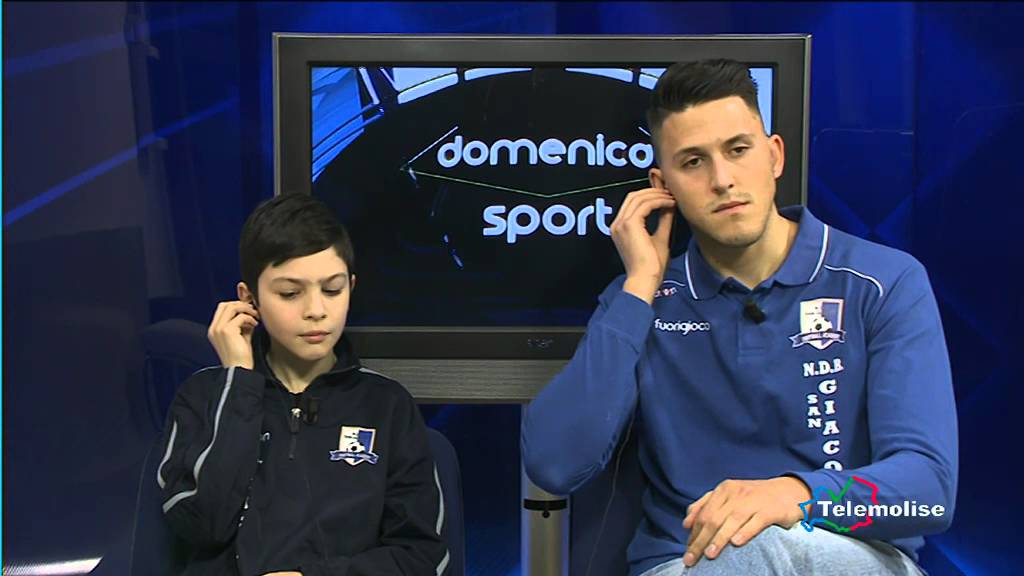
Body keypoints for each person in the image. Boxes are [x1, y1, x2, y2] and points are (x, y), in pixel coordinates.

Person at [522, 59, 957, 576]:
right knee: (751, 553)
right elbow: (554, 464)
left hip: (848, 554)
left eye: (737, 150)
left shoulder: (883, 281)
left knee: (776, 545)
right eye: (693, 162)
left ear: (774, 156)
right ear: (663, 185)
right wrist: (640, 285)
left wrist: (795, 497)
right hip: (687, 563)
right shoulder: (640, 299)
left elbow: (929, 493)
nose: (722, 180)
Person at [156, 193, 450, 575]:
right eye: (290, 293)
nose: (316, 311)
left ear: (351, 287)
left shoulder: (387, 405)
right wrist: (240, 383)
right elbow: (202, 526)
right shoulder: (205, 396)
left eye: (332, 289)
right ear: (249, 299)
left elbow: (422, 556)